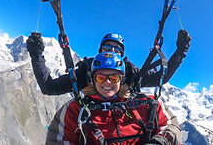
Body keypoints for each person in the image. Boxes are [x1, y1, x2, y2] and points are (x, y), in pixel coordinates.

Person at [46, 52, 182, 145]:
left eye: (113, 77)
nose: (107, 82)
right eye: (100, 77)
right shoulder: (76, 109)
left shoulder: (145, 103)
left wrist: (160, 141)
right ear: (93, 80)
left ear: (121, 80)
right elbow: (58, 140)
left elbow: (171, 126)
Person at [26, 30, 191, 95]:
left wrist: (179, 53)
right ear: (100, 50)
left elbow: (160, 78)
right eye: (107, 47)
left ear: (122, 54)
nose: (112, 51)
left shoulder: (130, 71)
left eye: (117, 49)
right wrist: (36, 56)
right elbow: (49, 87)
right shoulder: (86, 69)